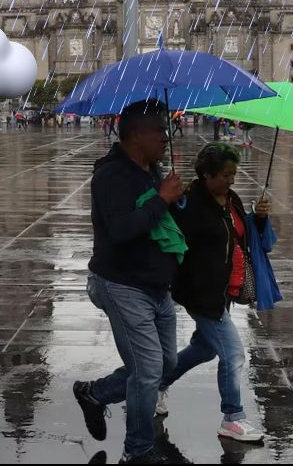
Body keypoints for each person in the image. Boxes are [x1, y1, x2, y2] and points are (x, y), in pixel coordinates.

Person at [74, 99, 184, 465]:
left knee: (166, 366)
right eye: (159, 130)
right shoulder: (111, 176)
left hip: (156, 285)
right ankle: (137, 450)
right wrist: (162, 200)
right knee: (148, 369)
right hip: (122, 284)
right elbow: (121, 229)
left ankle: (96, 394)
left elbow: (157, 218)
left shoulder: (151, 171)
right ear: (136, 134)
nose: (166, 138)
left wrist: (172, 199)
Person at [155, 142, 268, 444]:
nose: (232, 180)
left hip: (224, 288)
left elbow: (242, 235)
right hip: (201, 291)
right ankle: (232, 418)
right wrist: (169, 203)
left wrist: (258, 218)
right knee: (232, 354)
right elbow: (172, 239)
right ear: (207, 174)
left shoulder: (230, 199)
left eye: (234, 173)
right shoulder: (189, 203)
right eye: (226, 174)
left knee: (204, 349)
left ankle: (155, 386)